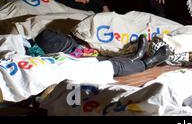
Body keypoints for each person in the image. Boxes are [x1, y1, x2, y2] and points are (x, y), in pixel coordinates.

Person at [33, 30, 170, 77]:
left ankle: (136, 57)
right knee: (110, 65)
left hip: (75, 52)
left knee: (103, 58)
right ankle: (147, 63)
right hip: (69, 59)